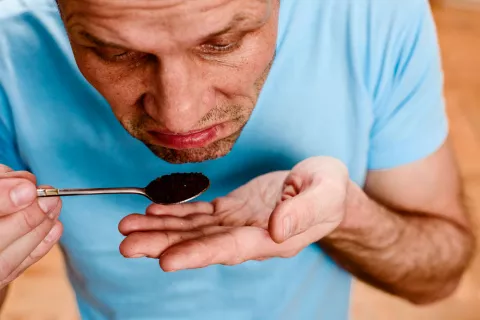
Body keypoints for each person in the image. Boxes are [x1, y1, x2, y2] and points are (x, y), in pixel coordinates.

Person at [0, 0, 475, 319]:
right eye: (115, 52)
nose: (179, 115)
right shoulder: (8, 44)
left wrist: (348, 216)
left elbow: (437, 275)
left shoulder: (374, 17)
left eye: (221, 43)